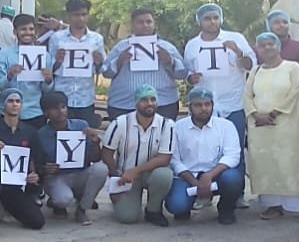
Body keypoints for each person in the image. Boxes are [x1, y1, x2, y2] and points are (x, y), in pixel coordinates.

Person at [184, 3, 255, 203]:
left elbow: (251, 66)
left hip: (233, 104)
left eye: (215, 17)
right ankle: (204, 194)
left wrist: (238, 52)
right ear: (200, 21)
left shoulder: (235, 38)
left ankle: (237, 195)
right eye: (207, 18)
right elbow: (187, 71)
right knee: (202, 151)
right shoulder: (192, 45)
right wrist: (190, 78)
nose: (212, 22)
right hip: (205, 107)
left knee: (235, 150)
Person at [244, 31, 299, 222]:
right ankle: (273, 206)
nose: (267, 48)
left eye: (271, 44)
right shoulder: (255, 71)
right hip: (260, 127)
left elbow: (297, 90)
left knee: (290, 163)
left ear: (278, 46)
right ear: (258, 49)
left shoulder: (292, 67)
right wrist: (255, 114)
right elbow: (247, 96)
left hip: (286, 124)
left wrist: (274, 113)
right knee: (266, 164)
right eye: (262, 45)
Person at [165, 86, 243, 225]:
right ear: (190, 107)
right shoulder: (177, 127)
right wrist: (195, 182)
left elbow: (233, 156)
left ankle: (226, 209)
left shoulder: (226, 126)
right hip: (188, 177)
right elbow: (174, 160)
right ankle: (186, 207)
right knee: (177, 206)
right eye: (198, 105)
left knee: (233, 178)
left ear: (212, 105)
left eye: (207, 104)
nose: (203, 109)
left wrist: (209, 176)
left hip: (217, 176)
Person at [101, 85, 175, 226]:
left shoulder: (167, 124)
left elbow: (164, 158)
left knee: (165, 175)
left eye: (153, 99)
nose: (149, 103)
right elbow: (107, 153)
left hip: (150, 174)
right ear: (136, 103)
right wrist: (116, 180)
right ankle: (124, 201)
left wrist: (135, 171)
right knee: (127, 217)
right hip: (125, 177)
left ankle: (153, 210)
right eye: (144, 100)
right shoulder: (120, 123)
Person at [0, 88, 45, 230]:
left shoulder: (30, 132)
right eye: (10, 101)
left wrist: (34, 175)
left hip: (13, 186)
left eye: (18, 101)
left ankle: (6, 206)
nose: (15, 104)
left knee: (37, 222)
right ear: (2, 105)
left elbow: (35, 158)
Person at [32, 92, 107, 225]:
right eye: (55, 108)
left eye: (63, 107)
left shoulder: (81, 126)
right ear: (45, 113)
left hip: (80, 173)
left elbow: (95, 158)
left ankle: (82, 209)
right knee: (63, 199)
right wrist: (45, 169)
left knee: (101, 169)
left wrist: (95, 142)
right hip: (57, 177)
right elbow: (37, 165)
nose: (60, 111)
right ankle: (56, 201)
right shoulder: (40, 134)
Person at [102, 8, 187, 123]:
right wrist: (119, 61)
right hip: (125, 104)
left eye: (148, 22)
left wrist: (170, 61)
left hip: (163, 103)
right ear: (132, 24)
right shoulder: (121, 47)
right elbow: (106, 72)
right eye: (140, 22)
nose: (145, 25)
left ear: (154, 24)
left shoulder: (167, 47)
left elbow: (182, 74)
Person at [49, 0, 105, 128]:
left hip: (85, 97)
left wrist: (98, 62)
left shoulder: (97, 39)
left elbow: (102, 70)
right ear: (68, 15)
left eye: (84, 14)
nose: (80, 18)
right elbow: (49, 68)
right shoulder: (57, 38)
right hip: (62, 95)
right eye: (76, 15)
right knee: (61, 133)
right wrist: (58, 61)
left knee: (84, 133)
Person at [0, 14, 54, 127]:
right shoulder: (3, 55)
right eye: (23, 29)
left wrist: (48, 80)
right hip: (8, 112)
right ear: (15, 31)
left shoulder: (45, 56)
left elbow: (46, 89)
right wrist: (10, 75)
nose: (27, 32)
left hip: (34, 112)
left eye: (31, 29)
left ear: (35, 31)